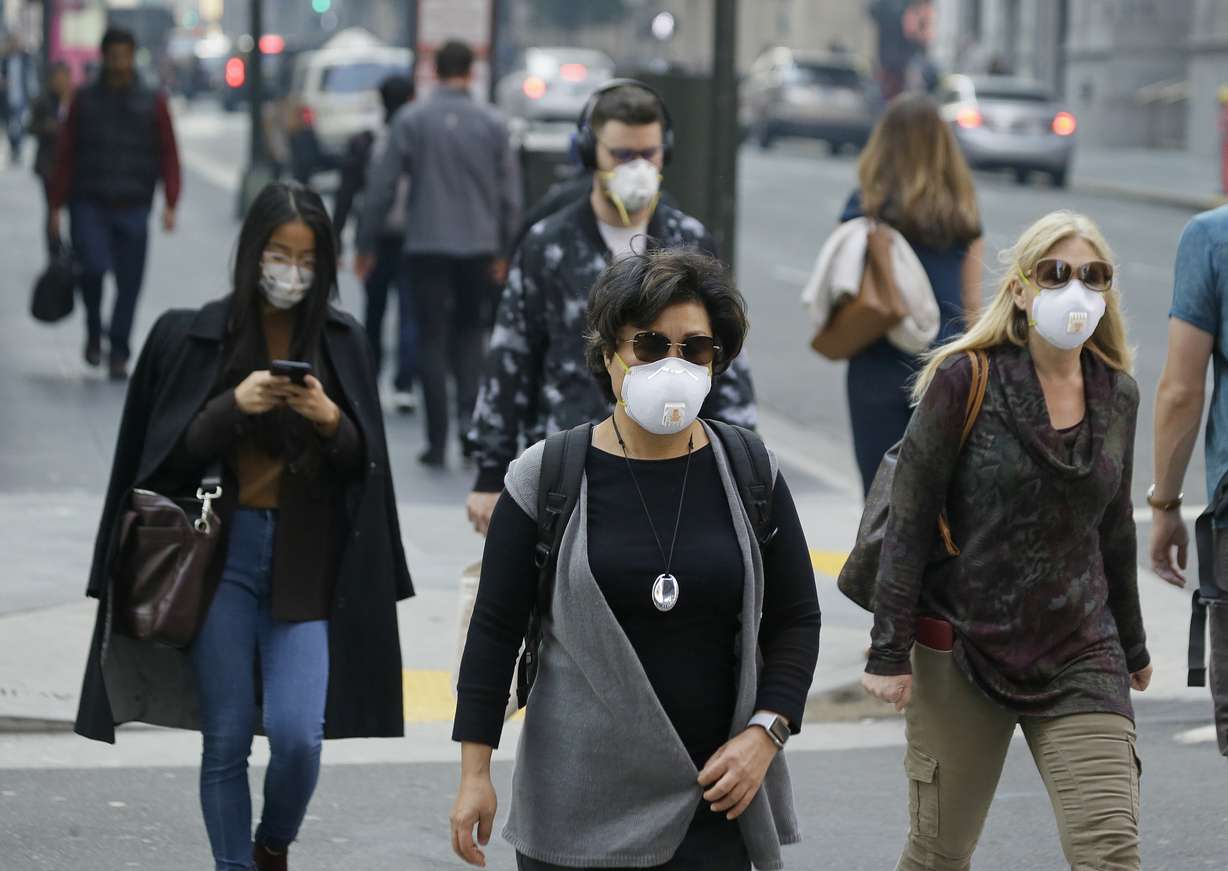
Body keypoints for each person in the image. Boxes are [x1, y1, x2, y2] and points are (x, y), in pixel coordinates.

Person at [75, 182, 414, 871]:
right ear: (252, 253)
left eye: (305, 257)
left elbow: (363, 463)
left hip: (306, 564)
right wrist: (234, 404)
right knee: (225, 739)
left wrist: (329, 419)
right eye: (277, 253)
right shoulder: (197, 334)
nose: (290, 270)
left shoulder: (342, 343)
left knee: (298, 736)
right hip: (219, 557)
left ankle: (271, 844)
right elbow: (166, 455)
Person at [449, 248, 821, 870]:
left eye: (695, 349)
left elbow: (797, 618)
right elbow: (494, 633)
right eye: (651, 346)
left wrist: (766, 733)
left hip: (714, 800)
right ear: (608, 355)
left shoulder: (750, 469)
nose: (673, 365)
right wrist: (474, 773)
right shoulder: (546, 476)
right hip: (575, 813)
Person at [861, 211, 1151, 870]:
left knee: (1111, 850)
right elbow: (909, 517)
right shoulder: (966, 380)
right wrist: (888, 651)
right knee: (939, 852)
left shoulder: (1117, 395)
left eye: (1092, 276)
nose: (1074, 290)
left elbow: (1112, 527)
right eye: (1055, 274)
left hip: (1081, 651)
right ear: (1019, 289)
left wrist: (1131, 645)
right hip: (964, 648)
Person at [465, 80, 758, 535]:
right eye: (622, 155)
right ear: (589, 153)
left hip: (674, 458)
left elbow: (722, 358)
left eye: (649, 153)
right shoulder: (548, 244)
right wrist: (490, 470)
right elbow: (512, 355)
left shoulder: (690, 242)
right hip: (569, 464)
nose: (638, 167)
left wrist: (742, 462)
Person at [357, 40, 522, 466]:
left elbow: (381, 186)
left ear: (434, 69)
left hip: (426, 243)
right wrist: (505, 249)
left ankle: (436, 438)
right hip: (479, 247)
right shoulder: (493, 123)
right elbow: (510, 196)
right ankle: (470, 422)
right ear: (471, 71)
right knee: (471, 334)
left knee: (431, 337)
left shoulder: (412, 120)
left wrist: (366, 243)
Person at [833, 93, 983, 494]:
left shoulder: (864, 208)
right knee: (939, 502)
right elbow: (972, 306)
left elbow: (842, 282)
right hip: (945, 369)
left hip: (876, 364)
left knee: (881, 500)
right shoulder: (962, 212)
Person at [48, 27, 182, 380]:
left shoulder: (152, 100)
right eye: (114, 55)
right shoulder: (85, 99)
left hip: (134, 204)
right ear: (104, 56)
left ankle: (119, 348)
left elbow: (168, 151)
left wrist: (170, 201)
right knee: (91, 269)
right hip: (89, 201)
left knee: (130, 282)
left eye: (125, 55)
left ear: (133, 55)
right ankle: (94, 330)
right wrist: (55, 206)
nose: (120, 62)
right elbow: (66, 153)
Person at [332, 73, 419, 413]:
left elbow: (348, 192)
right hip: (415, 239)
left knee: (375, 309)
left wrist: (342, 237)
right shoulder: (418, 139)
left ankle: (368, 376)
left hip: (377, 239)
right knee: (410, 311)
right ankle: (404, 383)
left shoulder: (368, 140)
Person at [30, 61, 74, 255]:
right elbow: (31, 127)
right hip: (49, 165)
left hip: (73, 167)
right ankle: (54, 252)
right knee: (52, 210)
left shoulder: (76, 100)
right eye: (57, 78)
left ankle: (73, 250)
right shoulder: (43, 101)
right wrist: (50, 127)